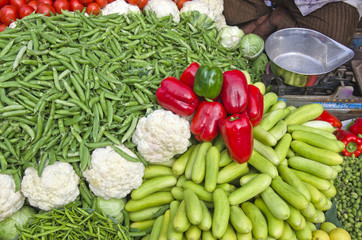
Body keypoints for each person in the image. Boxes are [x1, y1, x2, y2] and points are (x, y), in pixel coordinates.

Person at [223, 0, 362, 47]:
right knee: (229, 12)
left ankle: (277, 19)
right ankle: (261, 15)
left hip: (321, 4)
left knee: (332, 44)